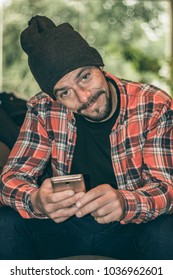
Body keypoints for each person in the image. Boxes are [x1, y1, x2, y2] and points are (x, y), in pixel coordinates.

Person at [0, 15, 173, 260]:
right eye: (65, 92)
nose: (84, 97)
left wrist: (125, 203)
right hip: (65, 226)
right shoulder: (43, 108)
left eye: (85, 76)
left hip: (130, 227)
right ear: (55, 97)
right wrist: (37, 201)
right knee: (5, 223)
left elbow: (167, 188)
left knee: (167, 232)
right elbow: (10, 179)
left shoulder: (153, 104)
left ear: (99, 66)